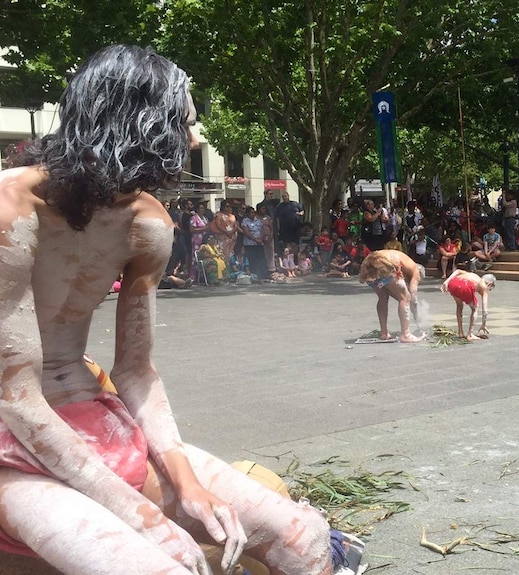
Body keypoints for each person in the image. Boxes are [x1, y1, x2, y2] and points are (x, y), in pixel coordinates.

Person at [0, 45, 352, 575]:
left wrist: (186, 483)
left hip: (95, 419)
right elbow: (16, 398)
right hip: (12, 447)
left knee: (303, 538)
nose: (192, 140)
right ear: (138, 122)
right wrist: (142, 517)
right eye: (182, 123)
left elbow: (137, 372)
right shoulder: (10, 210)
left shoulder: (148, 223)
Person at [358, 250, 426, 343]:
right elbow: (412, 297)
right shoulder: (415, 270)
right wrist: (417, 317)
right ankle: (406, 335)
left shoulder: (404, 260)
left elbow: (391, 290)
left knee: (383, 297)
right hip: (384, 266)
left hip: (367, 268)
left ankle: (384, 333)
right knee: (405, 298)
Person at [440, 269, 496, 341]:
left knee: (459, 306)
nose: (488, 290)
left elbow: (458, 271)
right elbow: (485, 311)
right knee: (475, 308)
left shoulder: (473, 275)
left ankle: (460, 332)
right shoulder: (484, 287)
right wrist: (483, 324)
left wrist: (446, 281)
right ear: (489, 283)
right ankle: (470, 334)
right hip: (465, 285)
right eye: (490, 288)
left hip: (453, 283)